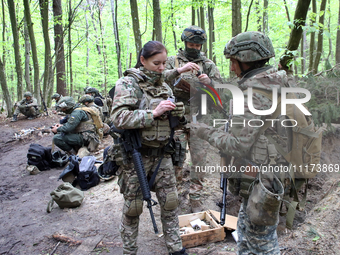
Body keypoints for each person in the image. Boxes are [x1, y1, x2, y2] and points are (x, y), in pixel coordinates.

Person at [190, 31, 290, 254]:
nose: (232, 68)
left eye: (234, 62)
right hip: (269, 173)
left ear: (247, 61)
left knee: (261, 243)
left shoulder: (253, 93)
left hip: (261, 180)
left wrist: (203, 130)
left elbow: (237, 144)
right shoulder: (277, 81)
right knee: (246, 231)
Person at [111, 41, 188, 255]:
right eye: (157, 63)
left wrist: (178, 115)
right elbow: (118, 118)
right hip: (136, 154)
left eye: (164, 63)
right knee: (133, 208)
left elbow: (176, 126)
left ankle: (175, 248)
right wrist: (152, 113)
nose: (162, 68)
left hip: (163, 154)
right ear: (143, 60)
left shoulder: (165, 87)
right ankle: (129, 250)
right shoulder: (128, 83)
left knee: (170, 204)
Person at [163, 25, 222, 212]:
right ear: (184, 41)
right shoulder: (173, 61)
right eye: (191, 44)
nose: (194, 48)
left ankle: (196, 197)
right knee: (177, 160)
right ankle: (178, 197)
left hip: (200, 119)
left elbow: (222, 92)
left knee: (199, 160)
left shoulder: (209, 64)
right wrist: (180, 71)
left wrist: (210, 83)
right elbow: (159, 80)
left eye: (197, 45)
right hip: (177, 120)